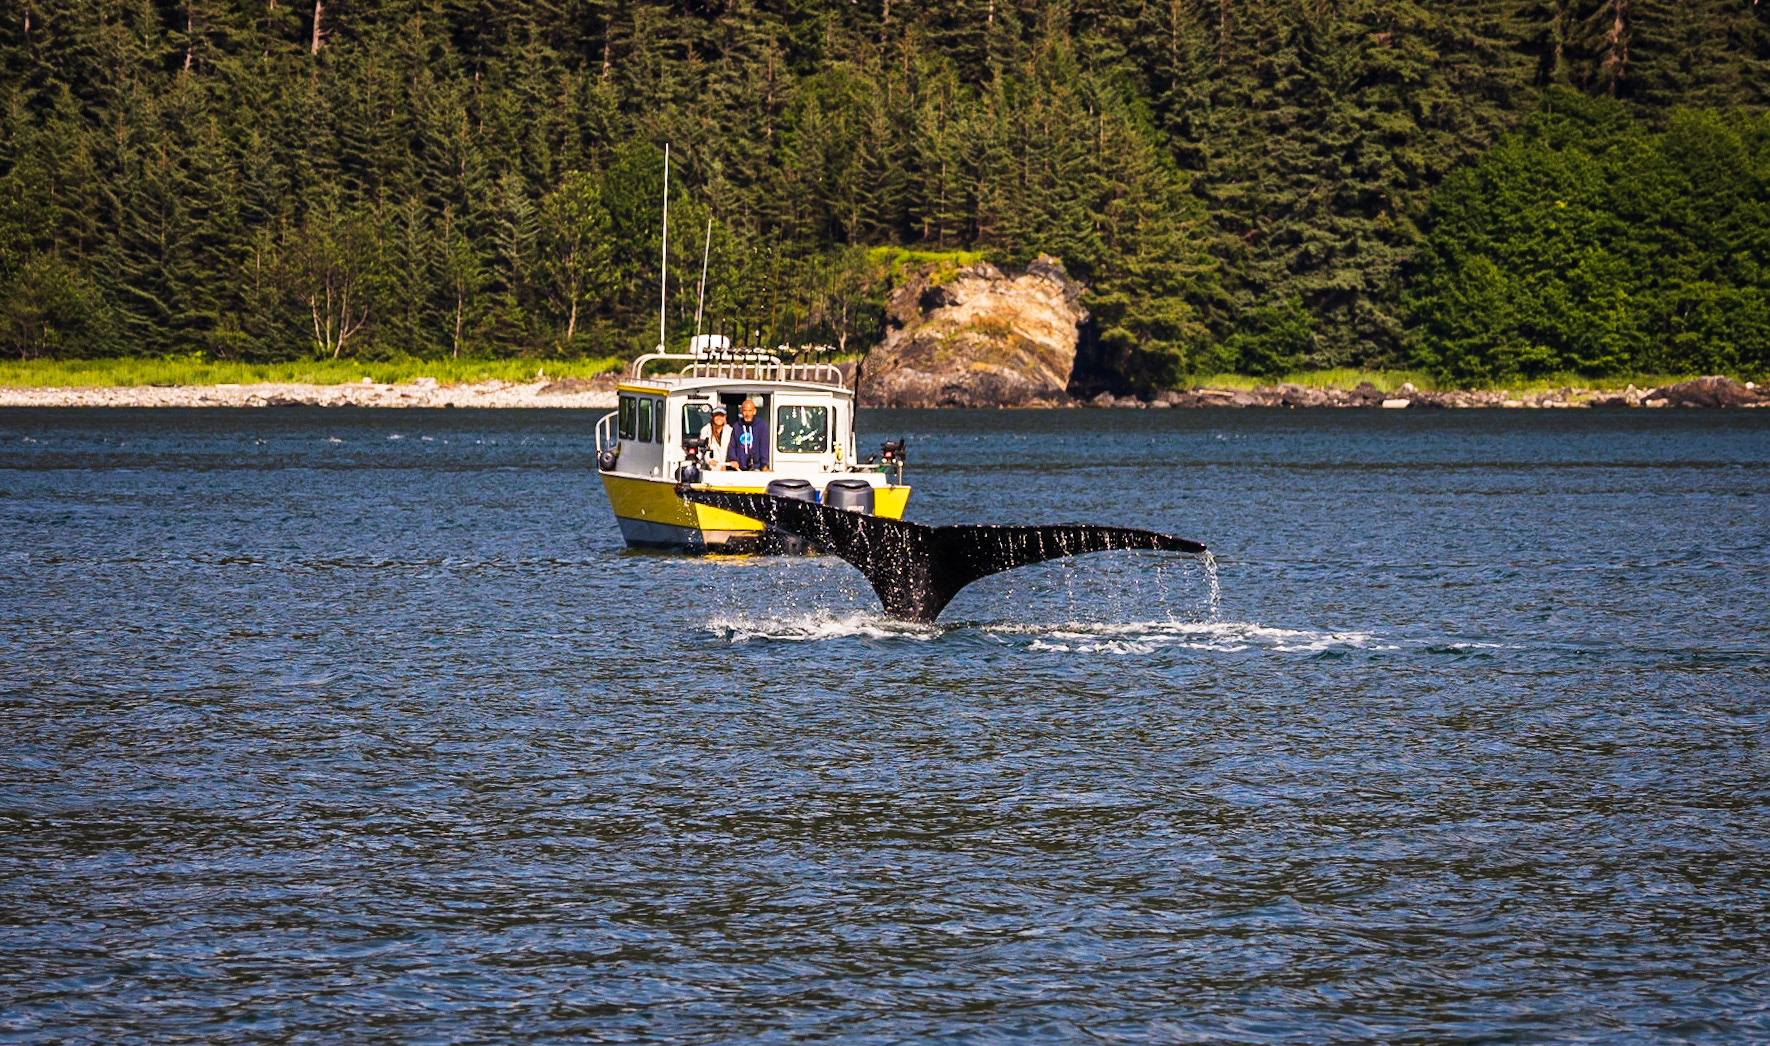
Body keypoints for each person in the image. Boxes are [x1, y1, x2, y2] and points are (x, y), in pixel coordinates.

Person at [727, 397, 769, 471]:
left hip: (756, 467)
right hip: (739, 468)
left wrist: (764, 465)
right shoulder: (737, 426)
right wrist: (733, 459)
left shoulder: (761, 426)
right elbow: (732, 446)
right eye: (745, 411)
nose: (747, 414)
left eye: (750, 411)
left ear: (754, 411)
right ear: (741, 412)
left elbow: (764, 446)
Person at [698, 405, 731, 470]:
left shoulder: (730, 430)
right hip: (710, 467)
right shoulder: (706, 430)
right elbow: (702, 449)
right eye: (716, 416)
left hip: (725, 467)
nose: (719, 418)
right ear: (712, 417)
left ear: (725, 417)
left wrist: (725, 465)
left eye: (721, 416)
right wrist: (709, 460)